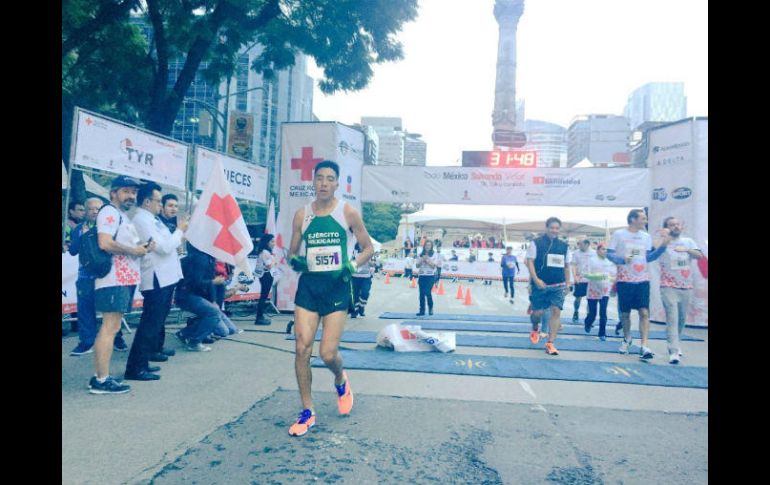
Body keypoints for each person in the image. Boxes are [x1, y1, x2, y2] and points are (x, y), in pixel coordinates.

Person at [287, 160, 374, 437]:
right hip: (309, 288)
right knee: (302, 348)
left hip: (337, 288)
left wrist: (352, 264)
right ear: (313, 182)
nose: (324, 183)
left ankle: (340, 378)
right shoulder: (302, 215)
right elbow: (292, 252)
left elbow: (368, 247)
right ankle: (307, 411)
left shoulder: (347, 212)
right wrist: (297, 262)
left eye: (329, 179)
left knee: (326, 354)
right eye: (319, 178)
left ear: (337, 184)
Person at [89, 176, 154, 394]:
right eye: (126, 191)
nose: (131, 196)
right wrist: (134, 250)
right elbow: (105, 243)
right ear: (113, 192)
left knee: (113, 326)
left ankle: (101, 376)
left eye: (133, 192)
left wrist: (142, 248)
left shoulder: (121, 216)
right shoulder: (109, 212)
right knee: (110, 327)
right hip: (113, 278)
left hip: (123, 278)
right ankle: (100, 380)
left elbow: (125, 245)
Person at [124, 182, 188, 381]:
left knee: (155, 322)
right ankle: (135, 368)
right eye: (158, 201)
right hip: (156, 277)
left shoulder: (152, 218)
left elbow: (167, 246)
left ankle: (143, 361)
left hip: (166, 276)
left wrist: (175, 237)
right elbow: (164, 248)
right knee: (149, 323)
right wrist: (179, 231)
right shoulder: (142, 219)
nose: (160, 205)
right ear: (146, 201)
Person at [607, 209, 669, 362]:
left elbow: (648, 257)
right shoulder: (619, 234)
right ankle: (627, 338)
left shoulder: (646, 237)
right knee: (625, 314)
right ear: (633, 219)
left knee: (644, 312)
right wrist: (622, 260)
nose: (645, 221)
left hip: (642, 279)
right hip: (624, 279)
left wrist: (662, 247)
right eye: (643, 218)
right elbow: (609, 254)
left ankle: (644, 346)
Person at [68, 197, 128, 356]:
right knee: (85, 310)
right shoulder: (79, 228)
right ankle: (86, 342)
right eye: (90, 209)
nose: (95, 211)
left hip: (107, 275)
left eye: (98, 209)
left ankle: (117, 338)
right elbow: (73, 250)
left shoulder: (110, 227)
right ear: (85, 212)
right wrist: (82, 235)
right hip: (85, 277)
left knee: (112, 310)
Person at [658, 217, 704, 364]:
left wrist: (687, 250)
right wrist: (665, 237)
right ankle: (673, 350)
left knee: (682, 319)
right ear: (666, 227)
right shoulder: (663, 241)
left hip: (686, 286)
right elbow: (654, 251)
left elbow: (699, 255)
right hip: (668, 286)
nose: (676, 227)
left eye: (678, 224)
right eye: (672, 225)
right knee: (672, 317)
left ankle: (676, 342)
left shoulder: (688, 241)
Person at [525, 217, 572, 355]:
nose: (554, 230)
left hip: (558, 285)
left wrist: (568, 284)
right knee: (537, 313)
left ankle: (550, 343)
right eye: (552, 227)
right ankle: (535, 327)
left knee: (556, 311)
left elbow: (567, 266)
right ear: (546, 228)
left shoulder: (564, 246)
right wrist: (536, 280)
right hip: (540, 285)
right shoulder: (536, 243)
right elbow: (530, 262)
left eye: (557, 228)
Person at [582, 242, 616, 340]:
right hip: (593, 290)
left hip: (605, 291)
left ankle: (602, 333)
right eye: (603, 249)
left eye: (606, 249)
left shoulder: (610, 262)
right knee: (592, 313)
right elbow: (585, 274)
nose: (605, 251)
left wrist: (612, 283)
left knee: (603, 313)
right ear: (597, 250)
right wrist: (598, 276)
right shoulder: (591, 260)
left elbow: (613, 275)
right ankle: (588, 323)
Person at [571, 239, 595, 323]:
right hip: (580, 279)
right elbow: (573, 265)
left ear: (587, 244)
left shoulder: (594, 253)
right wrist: (575, 277)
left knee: (590, 300)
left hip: (591, 280)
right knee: (578, 298)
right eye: (578, 244)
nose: (579, 246)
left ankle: (588, 317)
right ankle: (576, 311)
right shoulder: (576, 253)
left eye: (580, 244)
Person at [254, 234, 276, 325]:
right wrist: (275, 260)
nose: (274, 243)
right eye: (272, 241)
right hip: (265, 275)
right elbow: (269, 265)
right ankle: (259, 318)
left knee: (264, 296)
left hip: (266, 275)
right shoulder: (265, 253)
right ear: (267, 242)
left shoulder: (266, 252)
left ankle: (260, 316)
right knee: (263, 297)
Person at [415, 240, 439, 316]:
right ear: (424, 246)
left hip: (430, 276)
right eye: (426, 245)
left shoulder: (434, 255)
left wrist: (427, 260)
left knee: (427, 293)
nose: (427, 246)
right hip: (422, 276)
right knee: (421, 294)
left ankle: (430, 308)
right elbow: (417, 266)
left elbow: (433, 266)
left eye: (429, 245)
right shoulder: (420, 254)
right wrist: (422, 259)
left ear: (431, 246)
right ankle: (422, 310)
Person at [350, 243, 374, 318]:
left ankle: (361, 306)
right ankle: (355, 311)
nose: (362, 247)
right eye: (360, 245)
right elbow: (350, 262)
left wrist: (369, 261)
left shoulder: (369, 253)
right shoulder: (353, 252)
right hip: (355, 276)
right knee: (355, 294)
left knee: (365, 293)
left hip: (366, 276)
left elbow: (373, 264)